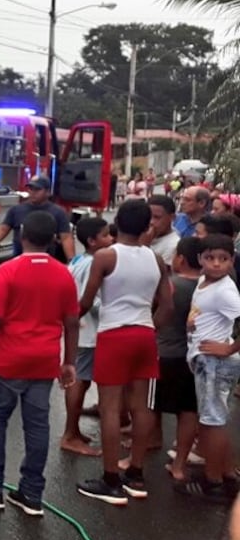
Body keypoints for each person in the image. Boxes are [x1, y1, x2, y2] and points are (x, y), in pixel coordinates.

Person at [0, 211, 79, 516]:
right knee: (37, 426)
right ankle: (31, 494)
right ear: (54, 240)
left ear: (21, 236)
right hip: (44, 362)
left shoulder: (8, 270)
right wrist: (69, 361)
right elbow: (72, 322)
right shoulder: (64, 274)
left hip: (9, 361)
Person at [75, 199, 172, 506]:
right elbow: (167, 305)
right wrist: (148, 328)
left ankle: (111, 480)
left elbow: (86, 301)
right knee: (142, 407)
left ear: (117, 223)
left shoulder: (105, 256)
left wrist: (63, 322)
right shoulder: (155, 259)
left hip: (114, 335)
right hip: (144, 334)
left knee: (110, 407)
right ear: (148, 226)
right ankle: (136, 474)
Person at [179, 234, 240, 503]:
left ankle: (212, 482)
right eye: (210, 258)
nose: (216, 264)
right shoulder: (205, 282)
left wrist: (228, 348)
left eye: (223, 259)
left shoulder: (226, 290)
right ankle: (226, 475)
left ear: (232, 261)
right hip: (204, 361)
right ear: (200, 259)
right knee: (213, 420)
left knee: (212, 423)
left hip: (216, 362)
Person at [61, 217, 112, 457]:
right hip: (88, 332)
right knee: (79, 381)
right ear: (92, 241)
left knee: (82, 379)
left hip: (80, 331)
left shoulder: (79, 260)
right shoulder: (93, 264)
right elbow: (87, 300)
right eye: (105, 235)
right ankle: (70, 434)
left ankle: (74, 431)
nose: (111, 239)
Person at [157, 236, 204, 486]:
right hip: (193, 357)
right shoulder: (209, 286)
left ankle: (136, 460)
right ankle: (179, 466)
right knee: (188, 412)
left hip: (166, 353)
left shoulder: (171, 285)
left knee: (148, 408)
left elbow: (157, 313)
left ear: (181, 259)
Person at [0, 175, 75, 263]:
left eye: (37, 189)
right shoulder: (16, 210)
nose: (33, 192)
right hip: (20, 262)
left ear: (47, 192)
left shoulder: (58, 213)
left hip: (46, 262)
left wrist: (72, 263)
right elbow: (2, 230)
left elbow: (66, 238)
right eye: (31, 189)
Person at [145, 195, 178, 265]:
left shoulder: (174, 245)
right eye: (148, 216)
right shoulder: (143, 234)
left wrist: (144, 246)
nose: (151, 222)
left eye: (156, 217)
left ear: (172, 217)